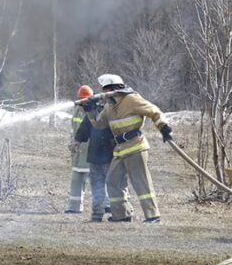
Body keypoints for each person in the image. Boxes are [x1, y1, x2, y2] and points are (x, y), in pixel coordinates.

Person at [80, 74, 173, 223]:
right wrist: (90, 110)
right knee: (112, 181)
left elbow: (154, 111)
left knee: (141, 182)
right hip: (120, 149)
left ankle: (153, 216)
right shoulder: (109, 107)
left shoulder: (132, 99)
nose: (104, 93)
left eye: (106, 89)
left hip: (136, 146)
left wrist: (164, 128)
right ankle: (121, 215)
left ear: (114, 89)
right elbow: (99, 124)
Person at [74, 94, 117, 222]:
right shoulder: (92, 114)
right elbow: (84, 128)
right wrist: (77, 141)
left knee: (114, 186)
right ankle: (97, 214)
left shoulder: (113, 111)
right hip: (94, 156)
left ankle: (120, 213)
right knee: (97, 186)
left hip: (110, 155)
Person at [66, 85, 93, 214]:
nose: (83, 102)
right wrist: (72, 143)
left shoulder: (95, 110)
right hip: (78, 152)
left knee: (97, 182)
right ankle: (74, 207)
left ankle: (105, 207)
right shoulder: (77, 110)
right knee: (76, 180)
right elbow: (73, 129)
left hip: (91, 153)